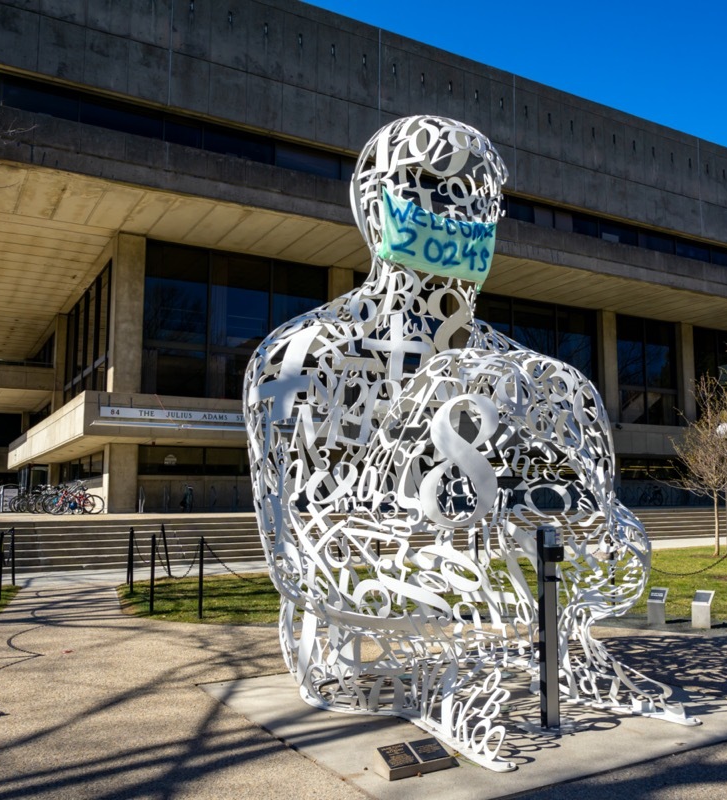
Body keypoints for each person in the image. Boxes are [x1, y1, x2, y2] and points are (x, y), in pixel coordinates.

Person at [244, 116, 693, 771]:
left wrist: (566, 504)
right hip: (352, 654)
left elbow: (605, 541)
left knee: (553, 396)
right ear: (372, 205)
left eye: (478, 200)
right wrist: (417, 466)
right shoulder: (303, 359)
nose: (455, 217)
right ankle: (452, 677)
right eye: (428, 190)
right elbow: (301, 556)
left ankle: (564, 656)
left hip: (496, 608)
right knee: (464, 392)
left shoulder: (521, 370)